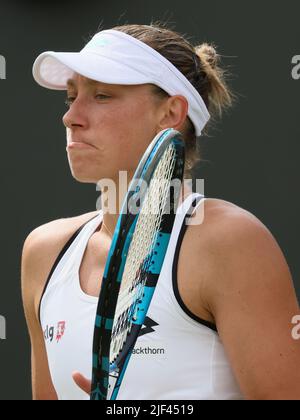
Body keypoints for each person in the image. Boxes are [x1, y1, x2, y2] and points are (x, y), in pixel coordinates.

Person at [21, 23, 300, 400]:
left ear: (170, 113)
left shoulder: (230, 242)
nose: (71, 117)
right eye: (71, 97)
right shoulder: (43, 252)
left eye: (102, 96)